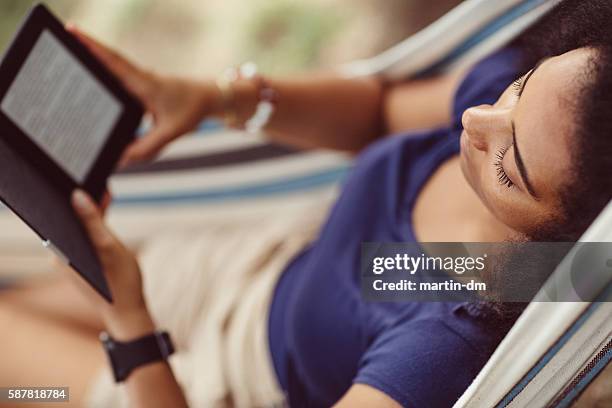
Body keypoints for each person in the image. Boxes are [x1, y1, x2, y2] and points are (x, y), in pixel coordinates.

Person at [0, 0, 611, 406]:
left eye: (510, 165)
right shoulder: (543, 119)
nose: (477, 119)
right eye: (517, 88)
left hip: (219, 387)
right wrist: (211, 99)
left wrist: (129, 322)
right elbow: (378, 111)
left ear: (573, 238)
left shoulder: (444, 353)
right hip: (256, 265)